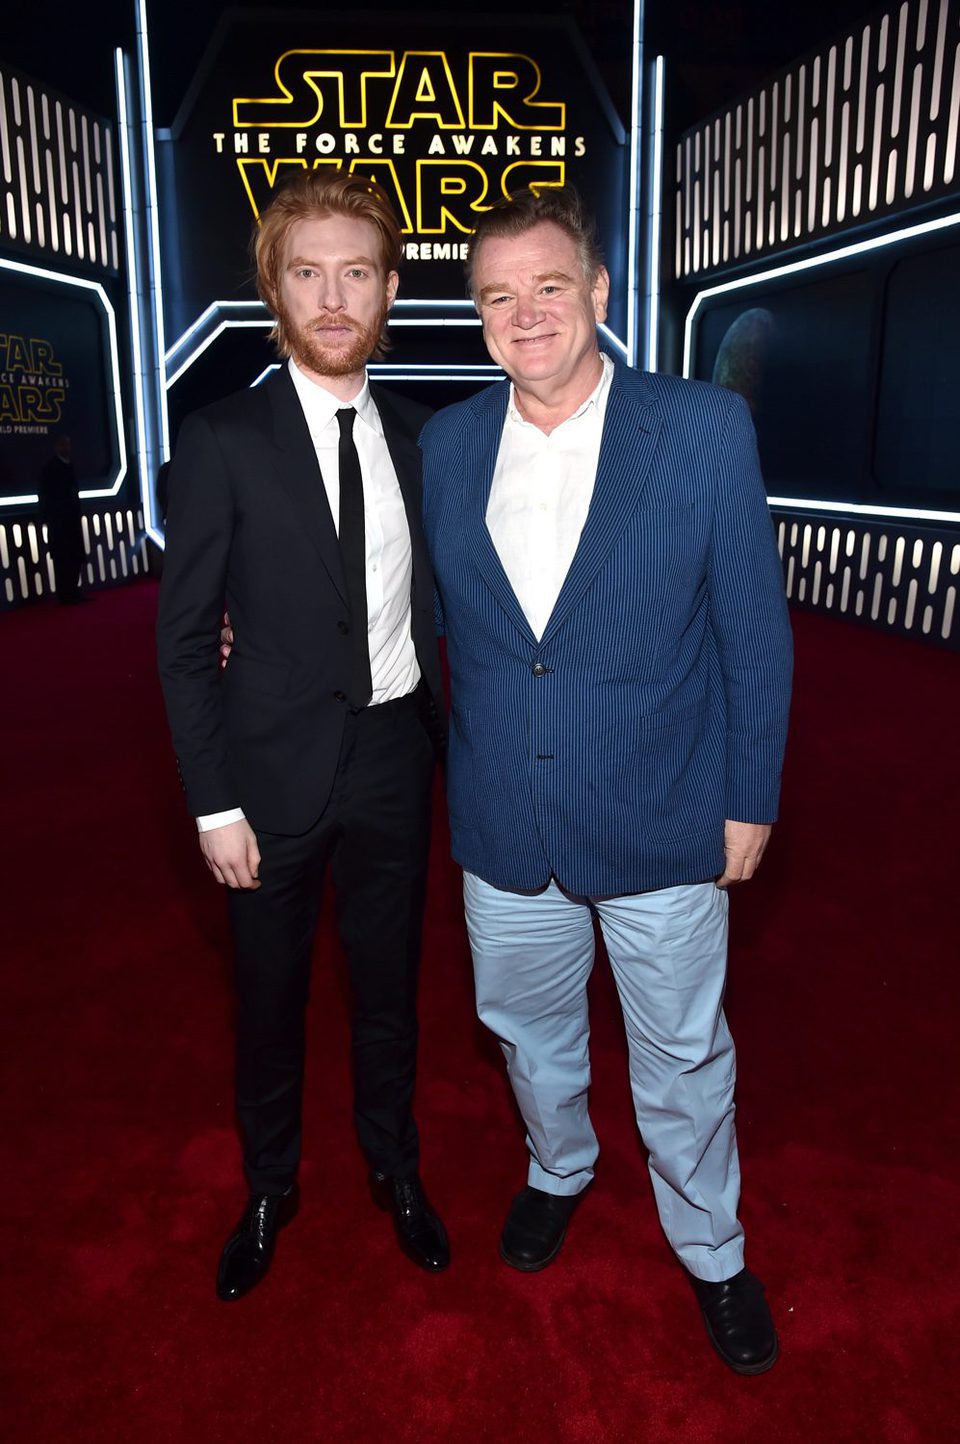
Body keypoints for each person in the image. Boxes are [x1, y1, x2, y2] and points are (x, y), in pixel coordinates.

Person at [419, 187, 793, 1375]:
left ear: (598, 292)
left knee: (683, 1054)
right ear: (477, 316)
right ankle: (558, 1166)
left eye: (547, 285)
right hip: (500, 817)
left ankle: (714, 1248)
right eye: (495, 296)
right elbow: (415, 616)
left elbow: (752, 627)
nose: (524, 313)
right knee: (528, 1037)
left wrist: (752, 794)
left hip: (662, 809)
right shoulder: (447, 443)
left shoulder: (700, 429)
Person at [156, 170, 450, 1302]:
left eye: (358, 272)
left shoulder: (429, 442)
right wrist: (212, 802)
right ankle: (270, 1186)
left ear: (388, 290)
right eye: (309, 272)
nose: (335, 296)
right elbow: (185, 639)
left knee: (390, 992)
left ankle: (397, 1169)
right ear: (275, 287)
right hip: (265, 775)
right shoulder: (222, 437)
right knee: (269, 1000)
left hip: (394, 760)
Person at [38, 434, 85, 603]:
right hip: (59, 522)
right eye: (63, 444)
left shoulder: (68, 465)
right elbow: (46, 496)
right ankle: (66, 595)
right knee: (62, 560)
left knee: (74, 558)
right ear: (56, 446)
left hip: (71, 521)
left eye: (68, 444)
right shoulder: (50, 468)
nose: (67, 448)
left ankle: (74, 592)